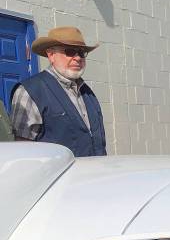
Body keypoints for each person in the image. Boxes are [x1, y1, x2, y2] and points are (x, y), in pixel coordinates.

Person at [10, 26, 106, 156]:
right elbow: (22, 151)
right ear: (51, 55)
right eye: (70, 51)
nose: (78, 58)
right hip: (60, 176)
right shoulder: (30, 91)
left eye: (81, 52)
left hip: (95, 174)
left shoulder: (87, 93)